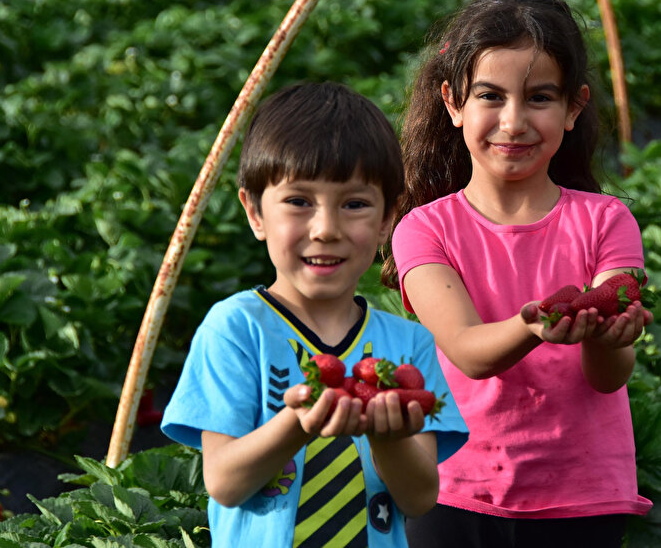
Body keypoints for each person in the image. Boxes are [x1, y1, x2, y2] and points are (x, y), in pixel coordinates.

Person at [381, 0, 654, 547]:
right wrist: (535, 323)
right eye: (490, 96)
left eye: (539, 98)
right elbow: (465, 348)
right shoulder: (425, 229)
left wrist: (607, 333)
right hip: (456, 487)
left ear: (573, 108)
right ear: (453, 104)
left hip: (582, 493)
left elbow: (609, 375)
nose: (513, 120)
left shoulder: (607, 221)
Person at [161, 81, 468, 548]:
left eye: (355, 205)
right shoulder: (236, 329)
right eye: (299, 202)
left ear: (388, 218)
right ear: (254, 212)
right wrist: (298, 423)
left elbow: (421, 497)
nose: (326, 229)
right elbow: (224, 481)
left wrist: (385, 434)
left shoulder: (410, 345)